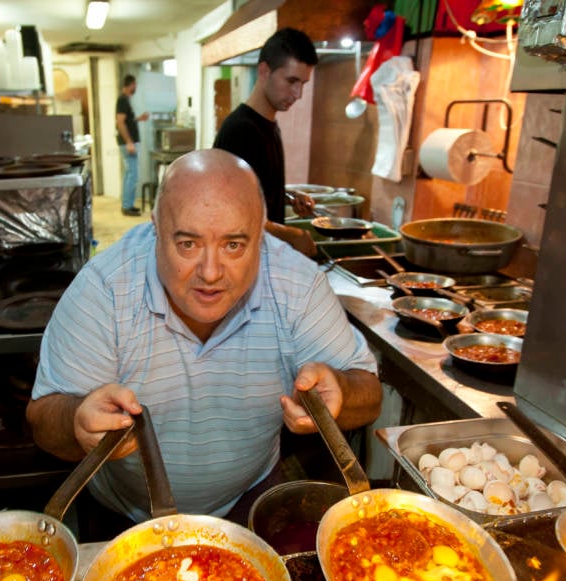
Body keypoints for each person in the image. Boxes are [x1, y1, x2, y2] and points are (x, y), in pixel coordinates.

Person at [26, 149, 382, 536]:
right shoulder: (104, 291)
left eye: (234, 245)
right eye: (188, 244)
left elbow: (370, 396)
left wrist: (341, 392)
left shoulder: (296, 285)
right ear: (156, 228)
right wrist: (78, 421)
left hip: (250, 502)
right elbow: (43, 422)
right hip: (126, 517)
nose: (210, 274)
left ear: (261, 233)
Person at [213, 27, 319, 258]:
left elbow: (253, 192)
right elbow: (232, 216)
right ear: (264, 71)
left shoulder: (268, 125)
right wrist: (293, 235)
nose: (298, 93)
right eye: (291, 81)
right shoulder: (241, 130)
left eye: (303, 83)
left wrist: (287, 197)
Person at [116, 73, 150, 216]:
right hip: (127, 143)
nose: (135, 87)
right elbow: (120, 122)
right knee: (133, 175)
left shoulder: (125, 100)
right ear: (130, 85)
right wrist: (129, 142)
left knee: (129, 174)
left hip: (128, 142)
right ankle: (127, 206)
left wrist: (137, 119)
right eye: (134, 84)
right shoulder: (123, 100)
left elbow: (127, 121)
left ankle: (127, 204)